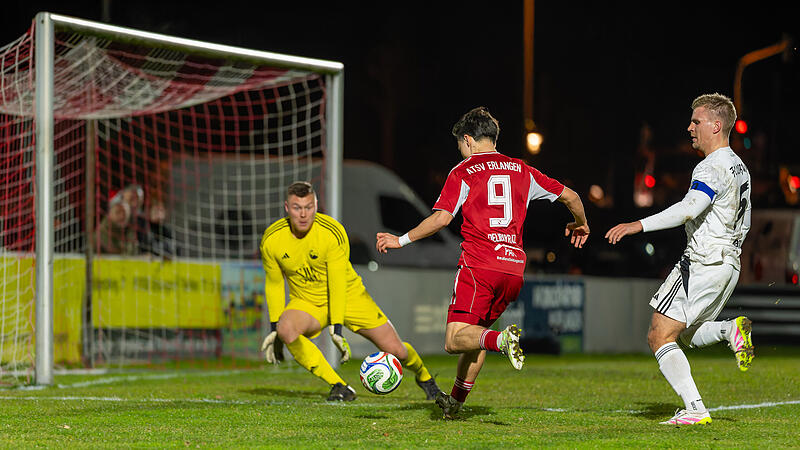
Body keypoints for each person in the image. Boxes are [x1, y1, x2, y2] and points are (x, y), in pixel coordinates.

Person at [375, 107, 590, 419]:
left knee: (453, 340)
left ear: (468, 140)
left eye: (460, 145)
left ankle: (503, 340)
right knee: (475, 336)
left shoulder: (463, 171)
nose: (461, 151)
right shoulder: (522, 169)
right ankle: (456, 403)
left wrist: (401, 239)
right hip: (513, 268)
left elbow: (441, 218)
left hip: (480, 265)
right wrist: (580, 223)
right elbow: (571, 196)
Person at [605, 93, 753, 426]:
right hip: (728, 264)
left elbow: (689, 209)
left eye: (696, 121)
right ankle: (729, 331)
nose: (689, 128)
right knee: (687, 333)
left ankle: (696, 409)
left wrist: (637, 224)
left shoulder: (711, 166)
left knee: (659, 335)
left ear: (716, 125)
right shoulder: (740, 166)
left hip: (703, 261)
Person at [259, 181, 442, 401]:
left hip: (349, 297)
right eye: (297, 208)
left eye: (308, 207)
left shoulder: (331, 232)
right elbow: (275, 283)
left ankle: (425, 377)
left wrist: (337, 328)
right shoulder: (272, 240)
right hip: (308, 303)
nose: (303, 214)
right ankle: (339, 386)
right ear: (287, 208)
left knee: (396, 351)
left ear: (316, 205)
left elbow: (336, 283)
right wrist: (274, 326)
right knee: (287, 328)